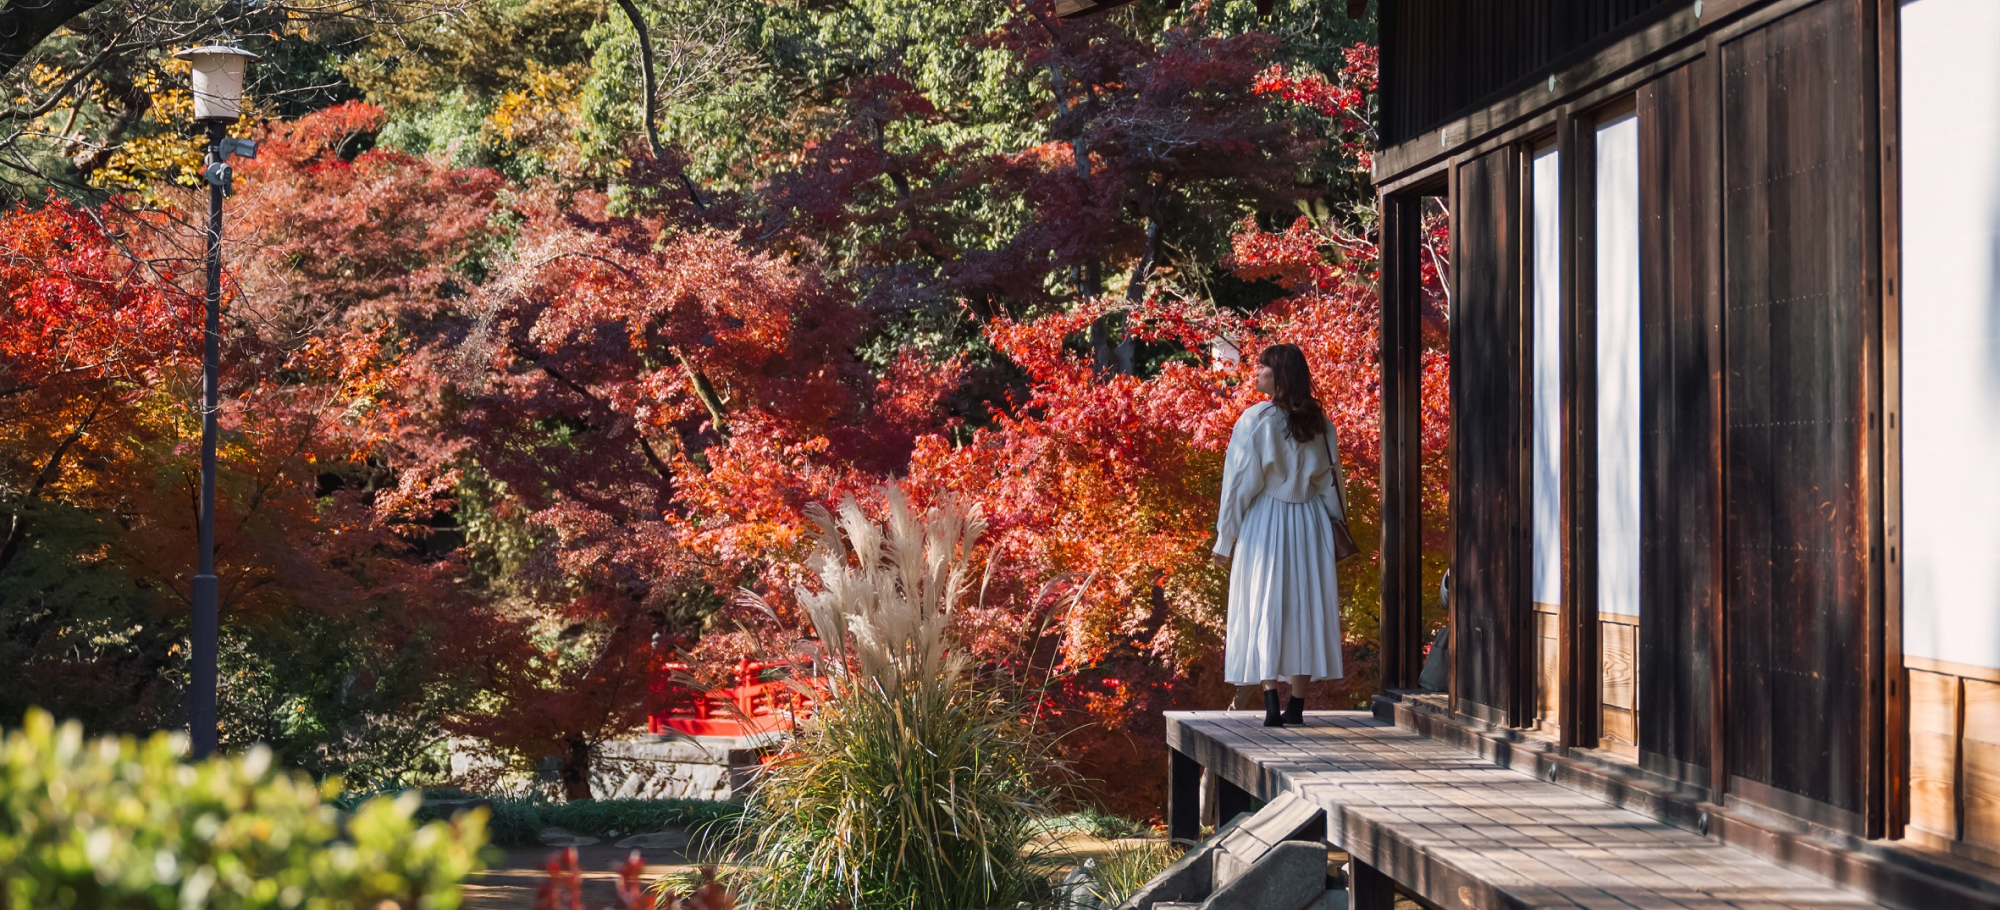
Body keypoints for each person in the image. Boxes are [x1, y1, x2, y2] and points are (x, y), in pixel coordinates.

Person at [1211, 343, 1346, 727]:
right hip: (1310, 521)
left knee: (1263, 604)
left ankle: (1271, 702)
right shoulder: (1319, 421)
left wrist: (1226, 538)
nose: (1255, 372)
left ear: (1279, 375)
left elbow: (1238, 485)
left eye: (1263, 367)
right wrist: (1338, 526)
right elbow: (1332, 483)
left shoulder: (1254, 420)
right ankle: (1297, 706)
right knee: (1305, 607)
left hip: (1265, 521)